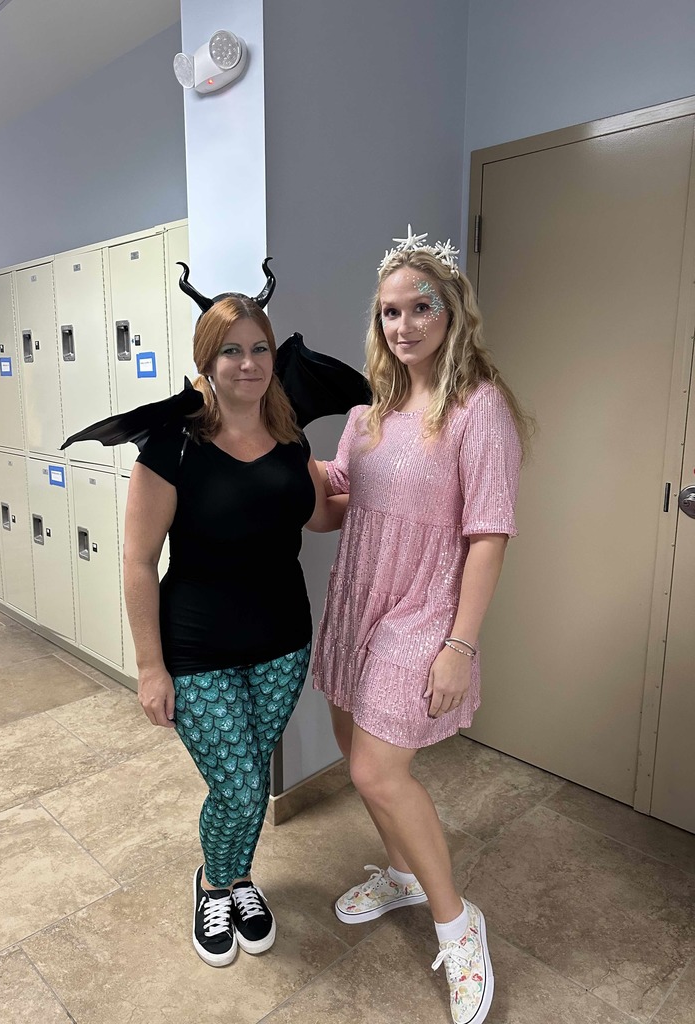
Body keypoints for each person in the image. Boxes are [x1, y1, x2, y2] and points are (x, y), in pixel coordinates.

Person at [311, 227, 531, 1023]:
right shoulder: (368, 415)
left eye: (418, 308)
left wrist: (459, 646)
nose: (401, 326)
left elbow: (489, 533)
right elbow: (333, 507)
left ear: (451, 311)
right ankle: (401, 875)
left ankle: (456, 923)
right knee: (352, 747)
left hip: (424, 611)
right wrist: (270, 455)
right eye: (388, 313)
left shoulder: (478, 409)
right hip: (356, 603)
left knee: (375, 770)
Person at [123, 284, 343, 968]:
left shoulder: (288, 432)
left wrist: (368, 490)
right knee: (244, 786)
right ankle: (214, 884)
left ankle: (239, 876)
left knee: (242, 777)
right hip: (196, 649)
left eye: (260, 349)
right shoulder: (173, 443)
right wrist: (150, 667)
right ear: (206, 360)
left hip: (282, 642)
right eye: (231, 352)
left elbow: (316, 514)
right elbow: (136, 560)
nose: (248, 364)